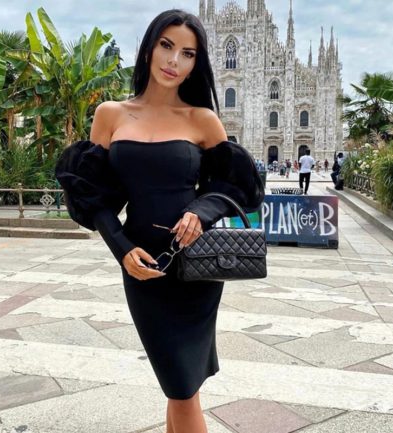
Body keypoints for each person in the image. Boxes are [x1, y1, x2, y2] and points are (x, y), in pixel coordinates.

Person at [55, 9, 264, 433]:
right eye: (167, 46)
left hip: (195, 268)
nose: (174, 61)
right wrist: (121, 249)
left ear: (196, 63)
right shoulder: (111, 114)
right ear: (149, 48)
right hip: (142, 267)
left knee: (182, 390)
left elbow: (236, 184)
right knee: (180, 386)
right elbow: (92, 195)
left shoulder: (201, 119)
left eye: (188, 53)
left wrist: (201, 212)